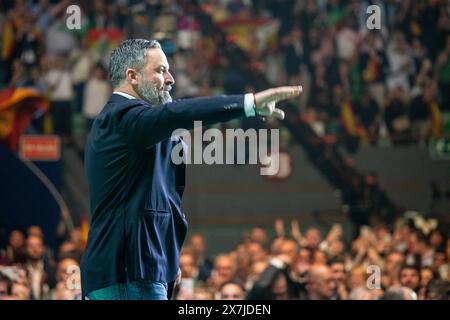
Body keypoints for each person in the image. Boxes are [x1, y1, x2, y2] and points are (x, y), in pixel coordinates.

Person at [80, 38, 302, 300]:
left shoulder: (143, 128)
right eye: (161, 70)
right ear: (133, 76)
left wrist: (169, 260)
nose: (171, 79)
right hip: (126, 273)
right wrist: (249, 103)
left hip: (143, 272)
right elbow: (178, 114)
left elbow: (165, 203)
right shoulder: (120, 118)